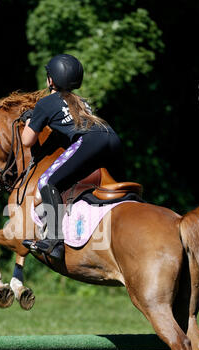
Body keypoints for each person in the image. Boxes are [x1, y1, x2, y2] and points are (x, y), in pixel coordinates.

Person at [21, 53, 123, 259]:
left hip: (91, 142)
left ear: (51, 79)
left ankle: (54, 241)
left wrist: (29, 119)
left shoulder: (46, 103)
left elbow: (26, 141)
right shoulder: (81, 102)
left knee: (47, 181)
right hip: (112, 138)